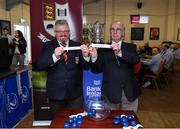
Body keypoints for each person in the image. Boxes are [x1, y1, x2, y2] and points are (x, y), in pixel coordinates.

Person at [37, 20, 89, 118]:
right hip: (56, 94)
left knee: (76, 123)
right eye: (59, 31)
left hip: (75, 95)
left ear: (69, 32)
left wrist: (86, 56)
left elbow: (86, 66)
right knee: (58, 123)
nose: (63, 34)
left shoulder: (77, 45)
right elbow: (40, 65)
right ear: (55, 33)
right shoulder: (48, 46)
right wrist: (54, 57)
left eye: (66, 31)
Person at [89, 21, 140, 112]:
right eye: (112, 29)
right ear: (110, 32)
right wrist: (94, 57)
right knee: (110, 123)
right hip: (110, 93)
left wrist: (119, 52)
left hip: (129, 92)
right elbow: (96, 70)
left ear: (123, 32)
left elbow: (135, 59)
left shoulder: (131, 47)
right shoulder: (103, 48)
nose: (115, 32)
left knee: (130, 122)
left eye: (118, 29)